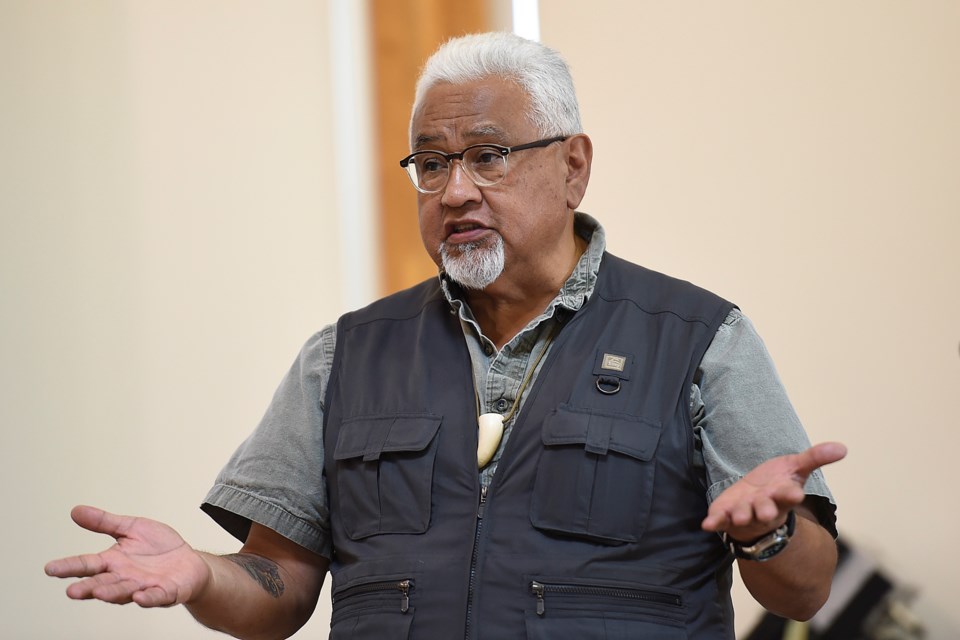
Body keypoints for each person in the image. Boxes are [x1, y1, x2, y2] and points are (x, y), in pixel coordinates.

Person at [46, 32, 846, 639]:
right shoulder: (347, 355)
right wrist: (200, 575)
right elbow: (279, 588)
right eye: (431, 164)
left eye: (488, 156)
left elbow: (805, 592)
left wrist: (769, 531)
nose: (455, 190)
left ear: (573, 167)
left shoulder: (700, 339)